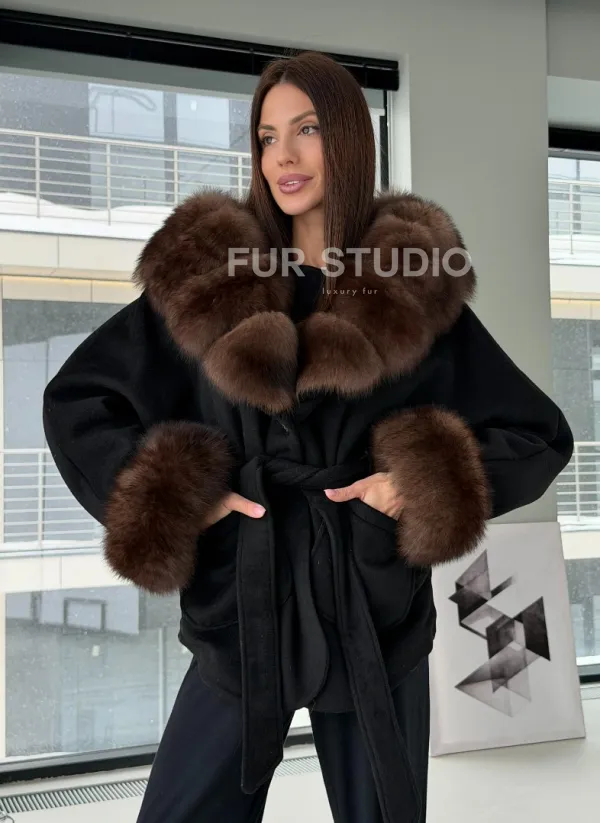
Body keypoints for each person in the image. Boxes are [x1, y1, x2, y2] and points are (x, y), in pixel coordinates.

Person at [42, 50, 573, 823]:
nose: (283, 156)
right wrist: (184, 495)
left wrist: (412, 485)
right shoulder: (210, 277)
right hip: (242, 599)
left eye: (307, 130)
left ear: (349, 139)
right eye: (267, 137)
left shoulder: (411, 285)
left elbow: (536, 432)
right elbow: (79, 400)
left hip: (369, 599)